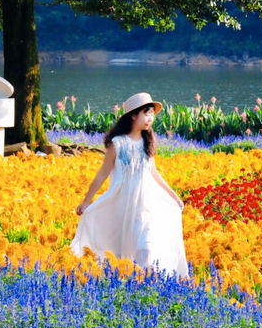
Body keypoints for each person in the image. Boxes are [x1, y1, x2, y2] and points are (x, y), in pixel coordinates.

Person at [71, 91, 188, 277]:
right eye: (146, 113)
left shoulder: (147, 142)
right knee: (125, 249)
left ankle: (146, 284)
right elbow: (102, 174)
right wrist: (86, 202)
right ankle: (129, 282)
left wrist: (174, 197)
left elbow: (153, 172)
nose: (150, 118)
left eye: (152, 114)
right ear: (133, 115)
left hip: (146, 203)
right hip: (123, 203)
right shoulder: (117, 143)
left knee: (147, 246)